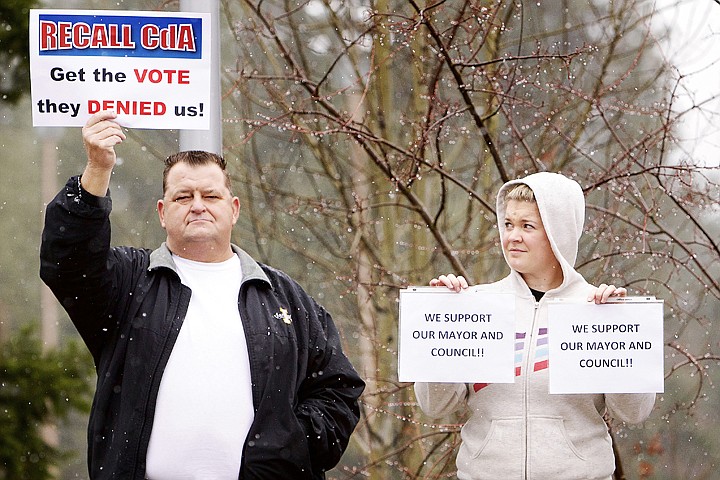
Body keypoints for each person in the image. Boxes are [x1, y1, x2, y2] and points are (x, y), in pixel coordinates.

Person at [40, 110, 365, 480]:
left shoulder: (284, 298)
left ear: (234, 209)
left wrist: (292, 447)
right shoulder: (129, 282)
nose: (198, 205)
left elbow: (338, 389)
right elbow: (67, 263)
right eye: (183, 197)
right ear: (162, 212)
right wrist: (97, 170)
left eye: (211, 195)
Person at [414, 172, 655, 480]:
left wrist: (620, 334)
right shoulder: (477, 307)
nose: (513, 236)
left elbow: (634, 412)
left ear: (558, 233)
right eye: (508, 224)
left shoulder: (597, 310)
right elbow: (435, 405)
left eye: (527, 226)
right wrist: (443, 320)